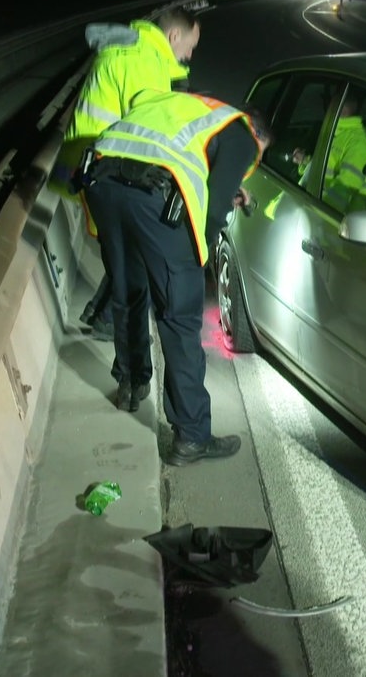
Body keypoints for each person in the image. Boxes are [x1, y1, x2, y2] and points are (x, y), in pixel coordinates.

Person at [83, 88, 268, 466]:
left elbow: (180, 161)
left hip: (101, 181)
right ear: (258, 135)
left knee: (128, 289)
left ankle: (131, 385)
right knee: (180, 316)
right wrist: (196, 264)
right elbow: (213, 213)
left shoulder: (187, 106)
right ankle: (191, 436)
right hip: (151, 197)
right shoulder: (242, 133)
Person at [57, 6, 202, 341]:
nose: (190, 54)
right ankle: (111, 324)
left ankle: (101, 313)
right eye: (190, 46)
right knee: (135, 251)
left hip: (90, 162)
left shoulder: (134, 49)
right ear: (174, 36)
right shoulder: (144, 61)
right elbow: (147, 131)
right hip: (102, 169)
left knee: (125, 252)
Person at [291, 96, 366, 212]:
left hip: (325, 217)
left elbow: (344, 190)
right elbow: (326, 169)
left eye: (346, 100)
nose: (331, 105)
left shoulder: (359, 143)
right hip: (300, 206)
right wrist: (305, 161)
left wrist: (315, 215)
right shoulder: (334, 132)